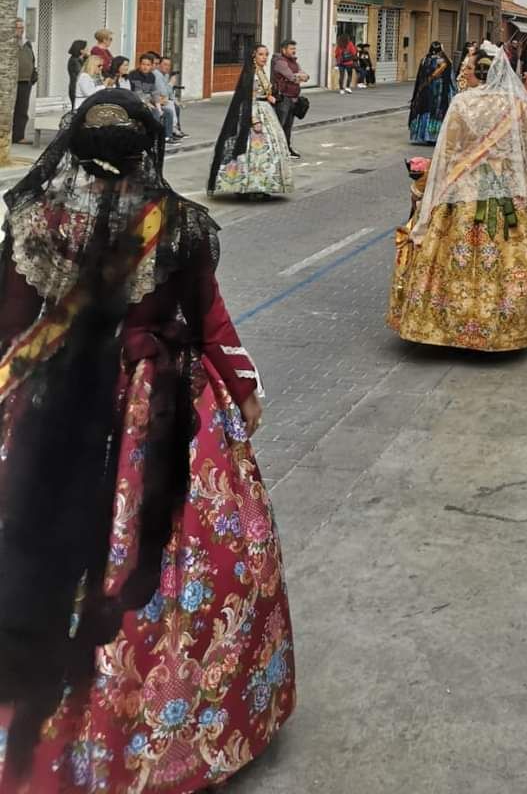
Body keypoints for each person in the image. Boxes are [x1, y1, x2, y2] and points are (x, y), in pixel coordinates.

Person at [0, 90, 294, 789]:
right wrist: (245, 392)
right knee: (187, 562)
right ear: (146, 151)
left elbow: (10, 318)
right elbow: (211, 323)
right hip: (162, 412)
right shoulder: (181, 226)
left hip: (52, 407)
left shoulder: (37, 219)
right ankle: (172, 731)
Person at [387, 45, 527, 350]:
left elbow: (448, 154)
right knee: (510, 262)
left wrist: (426, 190)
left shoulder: (461, 104)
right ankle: (505, 328)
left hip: (463, 191)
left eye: (468, 68)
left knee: (451, 260)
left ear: (478, 73)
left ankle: (449, 326)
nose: (464, 73)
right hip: (510, 194)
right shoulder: (518, 106)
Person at [209, 45, 294, 198]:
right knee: (254, 151)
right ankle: (246, 186)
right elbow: (250, 98)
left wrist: (270, 97)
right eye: (261, 54)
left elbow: (263, 92)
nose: (264, 57)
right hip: (254, 112)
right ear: (254, 56)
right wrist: (254, 119)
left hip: (265, 109)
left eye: (266, 55)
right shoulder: (252, 74)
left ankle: (261, 185)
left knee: (266, 153)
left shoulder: (261, 72)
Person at [408, 41, 456, 144]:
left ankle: (421, 136)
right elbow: (451, 79)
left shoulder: (424, 60)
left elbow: (420, 78)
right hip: (439, 91)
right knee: (436, 112)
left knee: (424, 110)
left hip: (425, 90)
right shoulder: (444, 61)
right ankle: (433, 136)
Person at [271, 39, 308, 158]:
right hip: (283, 98)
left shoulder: (294, 62)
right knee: (280, 126)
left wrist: (301, 76)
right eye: (291, 49)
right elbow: (292, 77)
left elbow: (306, 76)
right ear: (284, 49)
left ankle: (287, 149)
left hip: (293, 98)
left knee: (288, 126)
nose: (294, 51)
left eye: (294, 49)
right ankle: (275, 151)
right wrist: (298, 77)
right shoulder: (280, 62)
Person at [12, 18, 37, 144]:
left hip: (25, 81)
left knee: (22, 109)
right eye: (17, 27)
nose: (20, 30)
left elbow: (31, 60)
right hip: (11, 82)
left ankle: (18, 136)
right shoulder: (8, 43)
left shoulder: (27, 44)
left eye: (22, 28)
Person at [66, 38, 87, 110]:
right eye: (85, 49)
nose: (87, 50)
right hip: (76, 88)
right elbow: (81, 73)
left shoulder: (82, 59)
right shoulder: (74, 61)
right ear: (81, 50)